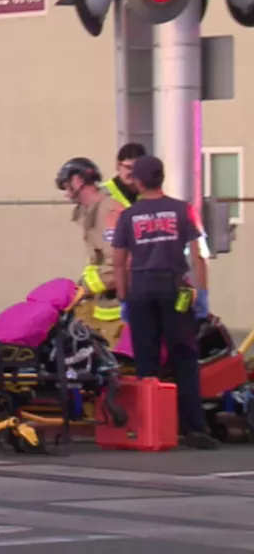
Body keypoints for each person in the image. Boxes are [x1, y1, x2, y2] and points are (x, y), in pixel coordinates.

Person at [111, 155, 218, 450]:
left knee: (146, 360)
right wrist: (202, 293)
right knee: (184, 358)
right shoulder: (183, 210)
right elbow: (197, 255)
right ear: (162, 178)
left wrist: (124, 298)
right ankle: (195, 429)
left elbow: (119, 262)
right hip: (175, 288)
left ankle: (151, 428)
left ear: (139, 182)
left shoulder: (129, 216)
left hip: (141, 291)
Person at [55, 157, 125, 345]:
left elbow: (118, 263)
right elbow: (97, 262)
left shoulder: (108, 211)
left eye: (66, 185)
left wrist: (86, 288)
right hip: (106, 302)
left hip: (120, 308)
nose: (66, 192)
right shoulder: (90, 213)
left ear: (78, 180)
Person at [105, 143, 146, 209]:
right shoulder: (103, 193)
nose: (131, 172)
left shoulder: (147, 193)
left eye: (136, 168)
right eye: (128, 167)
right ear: (118, 165)